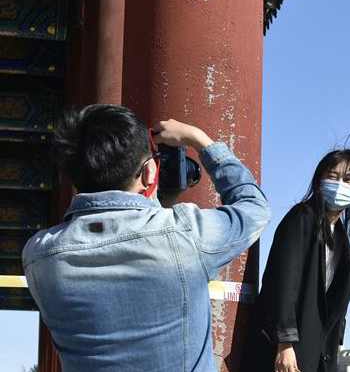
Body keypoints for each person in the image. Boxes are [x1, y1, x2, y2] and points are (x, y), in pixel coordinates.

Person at [22, 105, 270, 371]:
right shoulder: (186, 234)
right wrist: (199, 139)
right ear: (150, 171)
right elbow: (255, 208)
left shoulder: (39, 255)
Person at [245, 147, 350, 372]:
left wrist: (334, 343)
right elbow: (282, 282)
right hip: (286, 351)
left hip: (317, 351)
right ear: (319, 182)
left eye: (347, 179)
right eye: (333, 177)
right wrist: (284, 343)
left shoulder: (341, 239)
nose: (339, 185)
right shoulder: (302, 218)